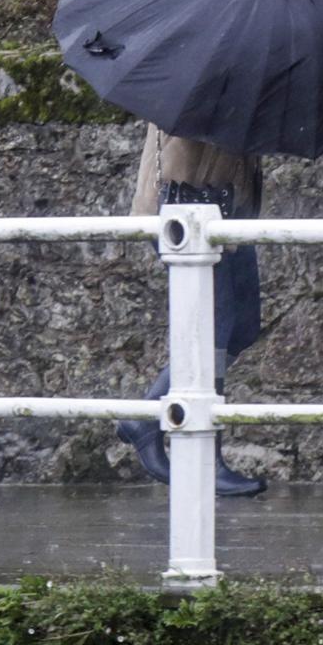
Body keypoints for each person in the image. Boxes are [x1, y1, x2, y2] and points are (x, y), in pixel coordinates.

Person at [115, 125, 269, 498]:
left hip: (231, 209)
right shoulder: (204, 71)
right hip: (187, 205)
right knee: (214, 324)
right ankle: (206, 461)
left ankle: (145, 417)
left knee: (244, 326)